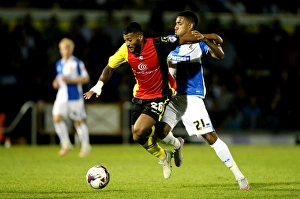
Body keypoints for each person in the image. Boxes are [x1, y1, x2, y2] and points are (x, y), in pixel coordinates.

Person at [83, 22, 204, 179]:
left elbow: (181, 38)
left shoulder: (157, 44)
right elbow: (110, 67)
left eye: (130, 40)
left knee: (141, 130)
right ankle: (164, 156)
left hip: (160, 94)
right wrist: (98, 86)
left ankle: (174, 144)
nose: (128, 43)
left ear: (140, 37)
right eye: (125, 40)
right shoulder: (125, 50)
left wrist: (207, 38)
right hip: (140, 95)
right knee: (137, 136)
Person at [155, 10, 250, 190]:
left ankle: (239, 175)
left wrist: (206, 39)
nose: (175, 26)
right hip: (174, 97)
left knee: (209, 137)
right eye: (175, 23)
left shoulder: (198, 45)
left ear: (190, 26)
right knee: (160, 132)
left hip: (191, 97)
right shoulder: (171, 44)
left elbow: (220, 54)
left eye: (180, 23)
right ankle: (177, 144)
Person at [52, 38, 91, 157]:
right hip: (61, 96)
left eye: (68, 48)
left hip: (74, 96)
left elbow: (85, 78)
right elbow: (59, 77)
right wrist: (56, 82)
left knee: (78, 122)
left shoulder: (77, 63)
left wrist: (71, 81)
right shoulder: (59, 64)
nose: (66, 50)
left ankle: (85, 145)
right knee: (56, 118)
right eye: (64, 48)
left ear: (72, 49)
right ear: (60, 50)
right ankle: (65, 143)